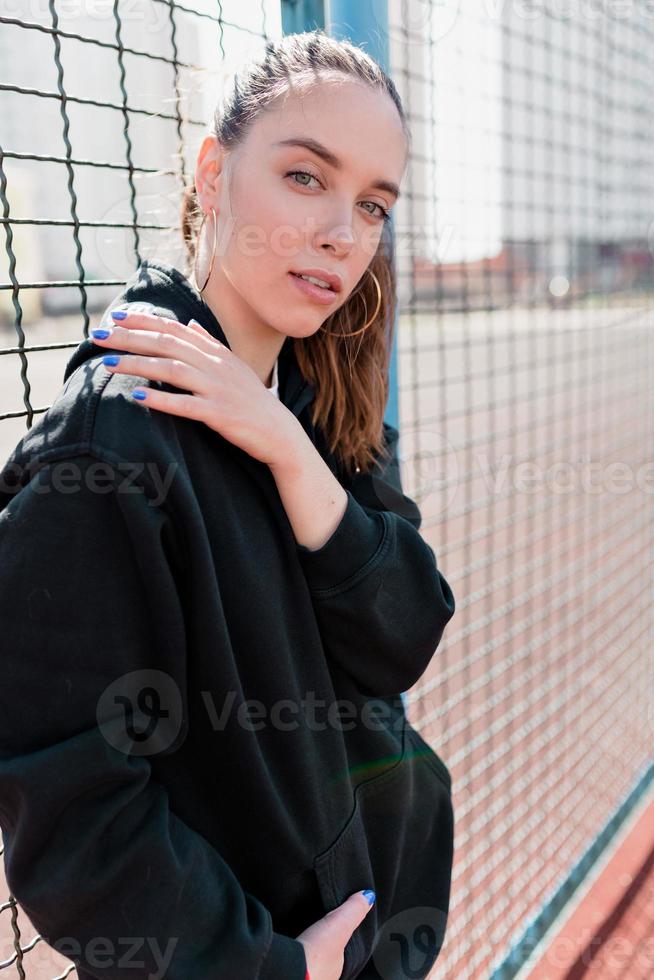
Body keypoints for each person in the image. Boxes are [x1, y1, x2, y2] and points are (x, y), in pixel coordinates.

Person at [0, 30, 456, 980]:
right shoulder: (114, 442)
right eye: (304, 177)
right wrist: (271, 967)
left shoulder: (317, 401)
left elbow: (404, 632)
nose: (344, 232)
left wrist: (291, 453)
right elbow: (72, 810)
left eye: (373, 203)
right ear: (214, 174)